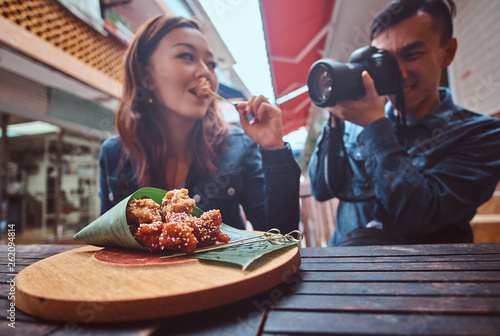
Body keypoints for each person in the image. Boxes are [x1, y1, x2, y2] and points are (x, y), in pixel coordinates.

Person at [308, 0, 500, 246]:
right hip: (347, 270)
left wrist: (375, 127)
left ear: (448, 52)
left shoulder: (483, 134)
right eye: (383, 60)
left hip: (423, 278)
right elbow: (322, 189)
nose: (397, 72)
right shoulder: (355, 123)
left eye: (411, 55)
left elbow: (419, 217)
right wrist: (335, 119)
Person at [99, 15, 300, 233]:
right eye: (186, 56)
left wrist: (274, 149)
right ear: (146, 75)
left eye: (211, 64)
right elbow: (110, 238)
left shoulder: (238, 146)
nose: (206, 72)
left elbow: (281, 234)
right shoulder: (114, 153)